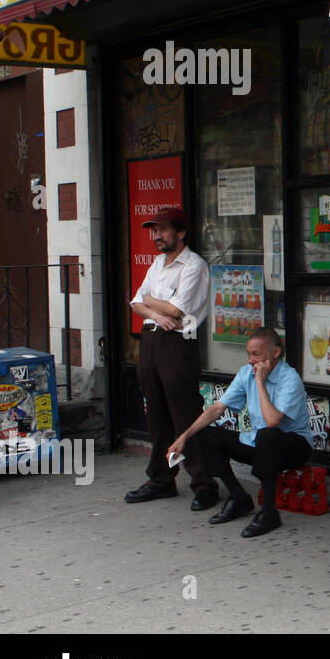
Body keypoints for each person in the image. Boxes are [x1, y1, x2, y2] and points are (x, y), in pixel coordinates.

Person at [167, 328, 314, 538]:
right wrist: (183, 437)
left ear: (275, 353)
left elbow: (272, 421)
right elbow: (218, 408)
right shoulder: (246, 373)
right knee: (203, 434)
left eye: (256, 354)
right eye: (248, 354)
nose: (250, 361)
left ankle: (269, 512)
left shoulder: (289, 378)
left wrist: (260, 383)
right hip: (259, 442)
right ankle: (238, 497)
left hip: (293, 446)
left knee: (268, 434)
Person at [125, 205, 217, 511]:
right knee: (157, 415)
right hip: (151, 340)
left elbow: (177, 311)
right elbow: (135, 303)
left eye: (163, 229)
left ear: (180, 232)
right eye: (155, 230)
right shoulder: (157, 264)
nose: (157, 236)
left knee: (186, 414)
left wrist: (150, 301)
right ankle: (161, 480)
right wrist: (152, 309)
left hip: (179, 342)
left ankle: (204, 483)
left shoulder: (194, 266)